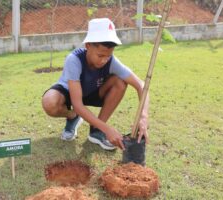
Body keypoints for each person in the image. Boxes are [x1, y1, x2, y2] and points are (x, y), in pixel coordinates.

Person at [42, 18, 149, 151]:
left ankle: (96, 131)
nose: (104, 60)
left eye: (108, 56)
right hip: (70, 93)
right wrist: (108, 129)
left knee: (120, 82)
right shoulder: (74, 60)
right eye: (100, 55)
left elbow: (141, 85)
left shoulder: (111, 61)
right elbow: (77, 104)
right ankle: (73, 117)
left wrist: (143, 117)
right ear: (87, 46)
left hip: (94, 91)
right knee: (49, 103)